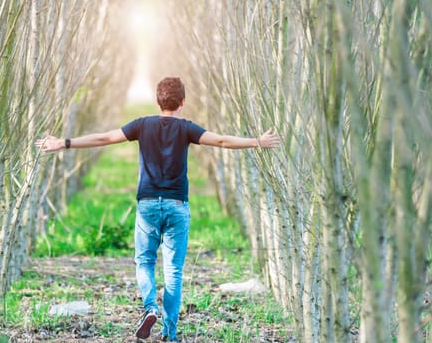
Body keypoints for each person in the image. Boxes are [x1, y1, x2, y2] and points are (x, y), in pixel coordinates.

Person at [36, 77, 279, 342]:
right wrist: (257, 141)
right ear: (182, 103)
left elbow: (104, 138)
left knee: (144, 261)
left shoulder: (143, 125)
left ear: (157, 100)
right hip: (177, 206)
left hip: (148, 205)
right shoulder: (186, 128)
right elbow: (221, 141)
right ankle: (170, 334)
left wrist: (65, 142)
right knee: (173, 271)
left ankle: (150, 306)